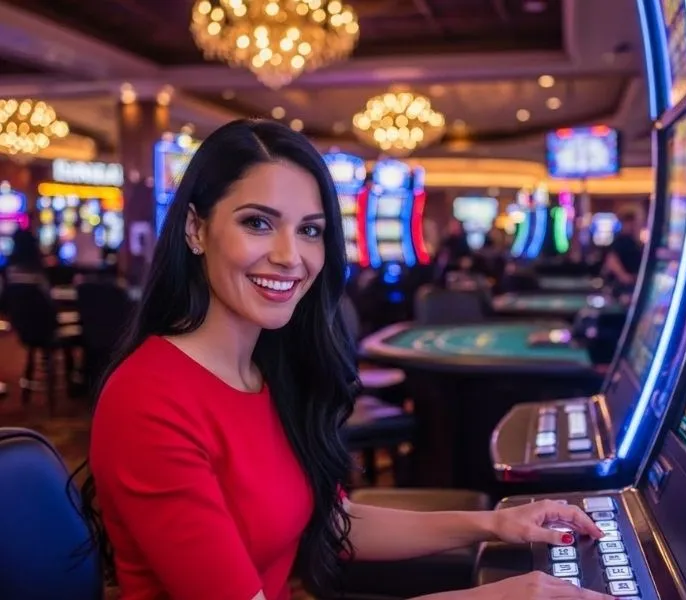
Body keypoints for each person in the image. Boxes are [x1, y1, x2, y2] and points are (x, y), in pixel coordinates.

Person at [74, 120, 612, 600]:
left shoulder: (267, 371)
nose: (291, 255)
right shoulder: (149, 401)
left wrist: (497, 524)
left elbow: (330, 524)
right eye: (258, 223)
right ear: (196, 228)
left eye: (310, 229)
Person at [602, 210, 643, 289]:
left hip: (631, 282)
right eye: (633, 223)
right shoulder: (622, 240)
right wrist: (624, 277)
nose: (635, 226)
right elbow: (611, 260)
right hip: (622, 286)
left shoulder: (633, 241)